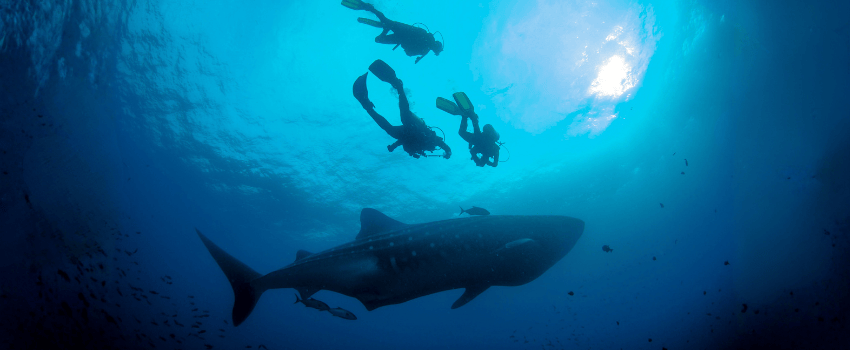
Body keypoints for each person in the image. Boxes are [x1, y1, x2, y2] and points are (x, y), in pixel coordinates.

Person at [353, 60, 451, 159]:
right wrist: (448, 151)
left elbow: (404, 140)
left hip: (405, 134)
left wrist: (393, 146)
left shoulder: (421, 148)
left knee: (389, 129)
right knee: (405, 115)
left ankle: (367, 106)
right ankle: (398, 85)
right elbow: (444, 145)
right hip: (414, 127)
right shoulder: (432, 140)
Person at [342, 0, 443, 63]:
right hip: (400, 38)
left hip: (401, 29)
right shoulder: (424, 51)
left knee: (386, 21)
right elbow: (408, 52)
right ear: (435, 49)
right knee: (378, 39)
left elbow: (413, 28)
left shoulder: (426, 36)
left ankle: (371, 9)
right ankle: (384, 27)